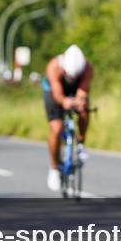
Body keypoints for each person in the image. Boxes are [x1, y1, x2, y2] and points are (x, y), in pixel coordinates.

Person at [42, 44, 93, 191]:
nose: (72, 78)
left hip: (75, 90)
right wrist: (64, 101)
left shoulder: (87, 69)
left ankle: (81, 144)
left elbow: (83, 91)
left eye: (75, 76)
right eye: (70, 75)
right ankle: (54, 167)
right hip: (53, 91)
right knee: (56, 128)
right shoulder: (54, 67)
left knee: (84, 110)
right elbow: (57, 94)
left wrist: (79, 101)